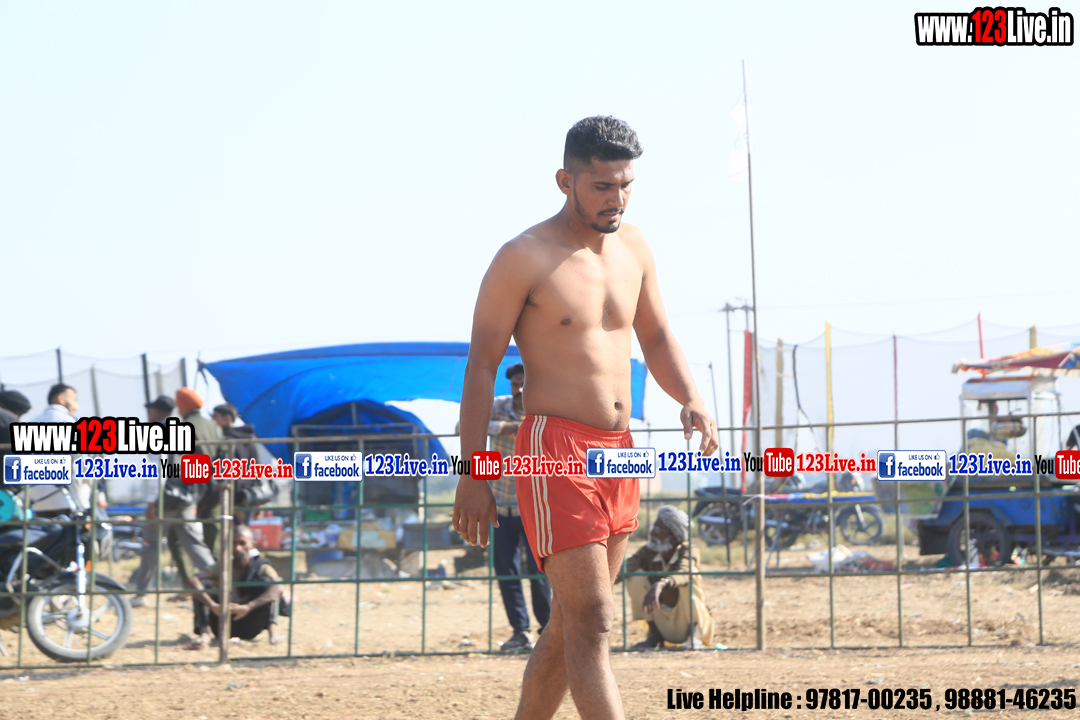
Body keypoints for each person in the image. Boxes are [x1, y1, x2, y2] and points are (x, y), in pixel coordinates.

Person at [453, 116, 718, 720]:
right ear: (564, 180)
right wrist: (473, 471)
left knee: (574, 623)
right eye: (602, 186)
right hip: (555, 452)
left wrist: (692, 397)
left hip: (619, 453)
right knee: (595, 618)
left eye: (626, 185)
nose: (616, 198)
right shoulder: (522, 257)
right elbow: (481, 366)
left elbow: (656, 336)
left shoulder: (636, 247)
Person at [489, 363, 552, 652]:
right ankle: (520, 631)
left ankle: (547, 630)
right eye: (516, 384)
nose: (520, 389)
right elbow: (463, 427)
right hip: (501, 504)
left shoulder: (546, 409)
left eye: (525, 383)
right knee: (506, 572)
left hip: (536, 505)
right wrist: (506, 427)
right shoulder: (499, 406)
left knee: (540, 570)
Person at [620, 506, 714, 650]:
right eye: (654, 527)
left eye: (659, 529)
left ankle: (693, 635)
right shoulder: (648, 552)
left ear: (674, 536)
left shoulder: (688, 550)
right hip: (663, 623)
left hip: (691, 621)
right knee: (635, 576)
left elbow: (685, 571)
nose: (652, 532)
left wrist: (661, 584)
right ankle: (654, 636)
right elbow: (624, 569)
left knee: (691, 575)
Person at [186, 525, 285, 649]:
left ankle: (273, 632)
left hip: (250, 623)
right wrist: (212, 605)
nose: (237, 548)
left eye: (242, 543)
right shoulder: (222, 566)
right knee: (201, 584)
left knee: (269, 585)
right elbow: (192, 580)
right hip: (222, 623)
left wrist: (248, 607)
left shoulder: (261, 567)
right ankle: (204, 634)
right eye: (233, 543)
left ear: (252, 545)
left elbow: (279, 588)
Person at [130, 395, 183, 604]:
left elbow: (156, 472)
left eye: (152, 410)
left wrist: (151, 503)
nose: (149, 413)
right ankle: (210, 585)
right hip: (184, 497)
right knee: (192, 544)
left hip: (163, 499)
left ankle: (141, 593)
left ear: (160, 412)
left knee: (150, 545)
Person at [27, 384, 107, 515]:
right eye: (74, 400)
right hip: (70, 502)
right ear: (61, 398)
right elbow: (85, 464)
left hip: (38, 502)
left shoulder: (30, 424)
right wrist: (99, 495)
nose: (76, 406)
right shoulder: (71, 422)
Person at [176, 387, 225, 560]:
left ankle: (187, 575)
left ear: (182, 407)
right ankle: (217, 573)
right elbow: (223, 455)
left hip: (190, 489)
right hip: (214, 487)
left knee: (179, 536)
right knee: (213, 536)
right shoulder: (214, 426)